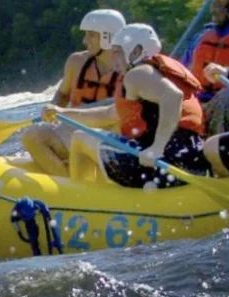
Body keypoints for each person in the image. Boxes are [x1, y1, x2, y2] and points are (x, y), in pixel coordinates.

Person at [42, 24, 210, 188]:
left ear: (135, 52)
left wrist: (157, 147)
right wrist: (62, 112)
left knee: (79, 138)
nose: (113, 59)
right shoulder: (151, 75)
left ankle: (80, 198)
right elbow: (108, 114)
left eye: (117, 52)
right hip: (189, 160)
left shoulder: (138, 73)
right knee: (85, 135)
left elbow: (173, 96)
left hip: (166, 163)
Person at [19, 9, 126, 176]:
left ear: (108, 38)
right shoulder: (76, 62)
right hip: (74, 127)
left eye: (91, 35)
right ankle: (67, 184)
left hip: (109, 133)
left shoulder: (131, 70)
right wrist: (53, 108)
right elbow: (62, 95)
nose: (85, 40)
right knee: (31, 136)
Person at [182, 0, 229, 133]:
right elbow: (182, 70)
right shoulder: (201, 37)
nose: (214, 8)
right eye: (214, 3)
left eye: (221, 4)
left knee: (227, 97)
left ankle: (217, 150)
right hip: (199, 101)